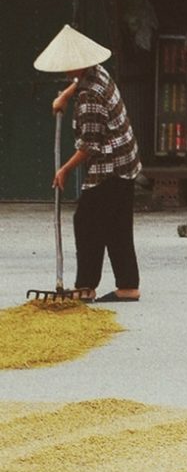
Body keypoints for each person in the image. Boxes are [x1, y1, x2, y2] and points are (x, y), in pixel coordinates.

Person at [33, 24, 142, 302]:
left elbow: (90, 147)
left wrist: (64, 170)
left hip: (111, 165)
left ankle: (85, 287)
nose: (66, 71)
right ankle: (128, 286)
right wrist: (65, 95)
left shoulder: (89, 98)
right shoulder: (96, 72)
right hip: (126, 160)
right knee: (116, 225)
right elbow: (79, 82)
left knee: (87, 222)